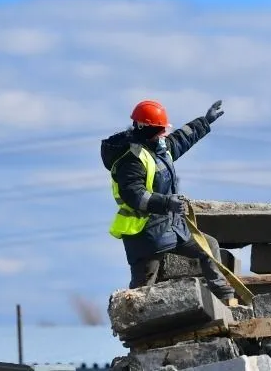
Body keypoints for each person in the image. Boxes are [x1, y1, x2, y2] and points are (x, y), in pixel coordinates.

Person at [100, 99, 236, 302]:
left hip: (172, 229)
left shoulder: (158, 147)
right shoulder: (131, 159)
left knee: (209, 246)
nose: (164, 133)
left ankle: (225, 296)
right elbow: (135, 195)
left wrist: (205, 122)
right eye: (160, 129)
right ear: (147, 129)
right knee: (140, 294)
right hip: (146, 237)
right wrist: (167, 203)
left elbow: (181, 140)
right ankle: (133, 324)